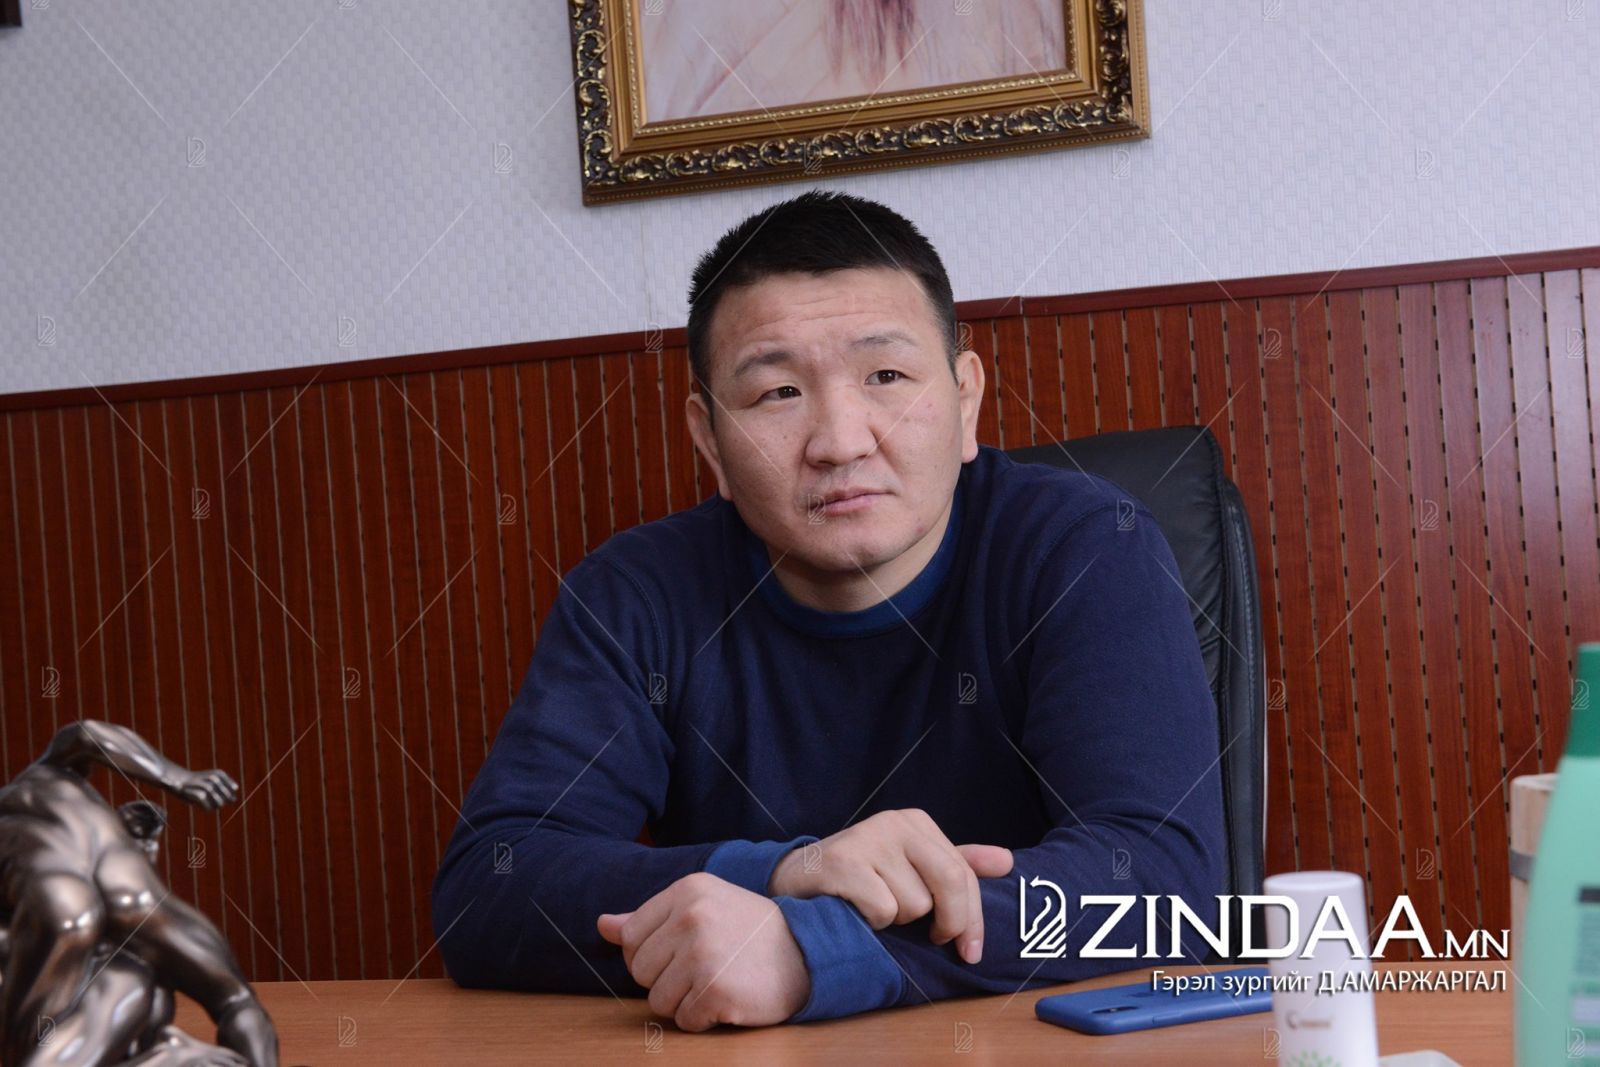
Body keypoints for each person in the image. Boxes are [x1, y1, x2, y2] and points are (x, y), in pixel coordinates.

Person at [432, 190, 1226, 1031]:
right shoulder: (636, 592)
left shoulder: (1083, 547)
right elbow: (490, 882)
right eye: (778, 392)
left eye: (886, 376)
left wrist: (816, 949)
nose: (841, 441)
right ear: (710, 440)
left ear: (966, 399)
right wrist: (784, 872)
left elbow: (1166, 890)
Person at [0, 721, 277, 1065]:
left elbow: (85, 734)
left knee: (124, 983)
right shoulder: (50, 777)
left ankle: (165, 1056)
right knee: (148, 986)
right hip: (120, 903)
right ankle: (167, 1056)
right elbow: (85, 734)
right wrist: (177, 778)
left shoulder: (32, 791)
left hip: (61, 903)